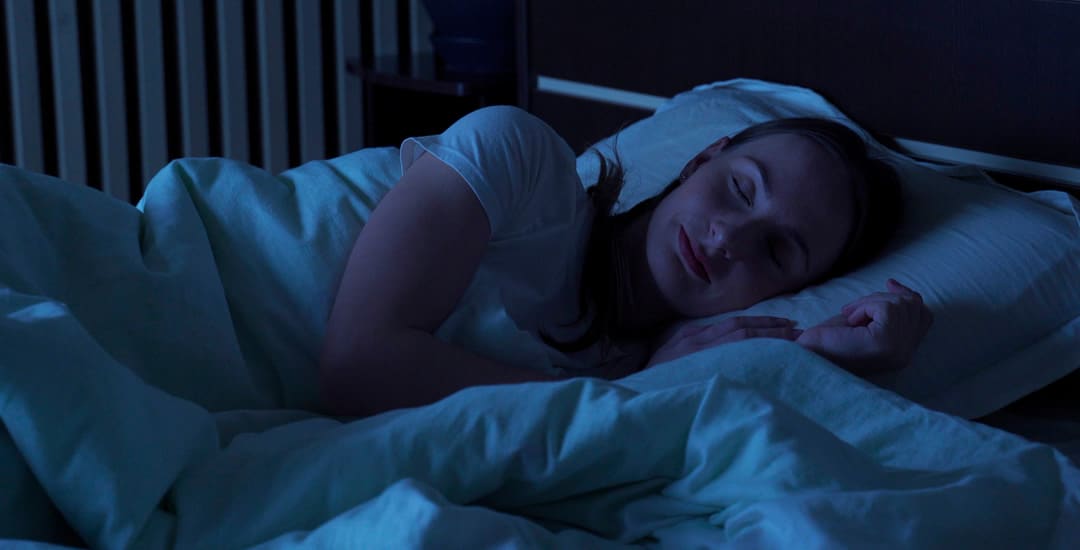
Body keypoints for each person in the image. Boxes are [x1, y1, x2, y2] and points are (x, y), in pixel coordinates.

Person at [319, 106, 933, 417]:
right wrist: (630, 392)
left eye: (775, 251)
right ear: (700, 161)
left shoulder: (676, 368)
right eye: (741, 189)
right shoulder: (520, 159)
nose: (727, 241)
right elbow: (358, 367)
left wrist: (828, 354)